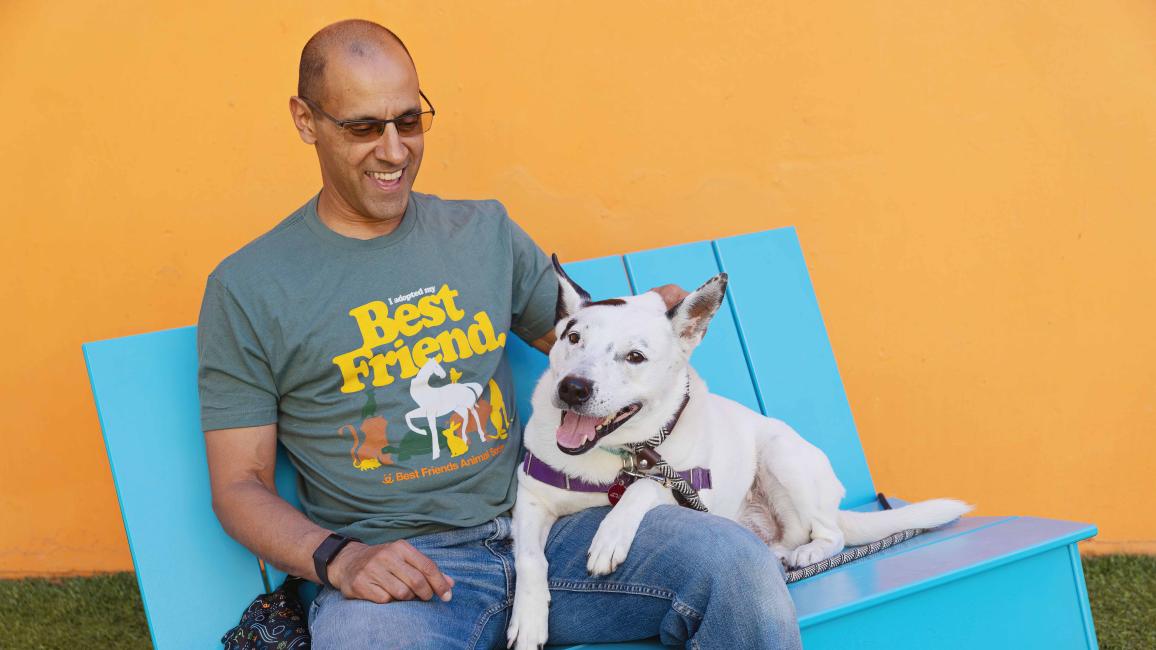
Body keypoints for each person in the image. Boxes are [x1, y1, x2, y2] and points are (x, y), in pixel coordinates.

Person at [198, 18, 801, 649]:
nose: (395, 150)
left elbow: (582, 345)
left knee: (738, 567)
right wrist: (341, 560)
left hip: (550, 524)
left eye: (409, 121)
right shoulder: (250, 288)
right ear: (305, 120)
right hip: (403, 573)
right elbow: (240, 483)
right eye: (363, 128)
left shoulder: (483, 233)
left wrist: (651, 318)